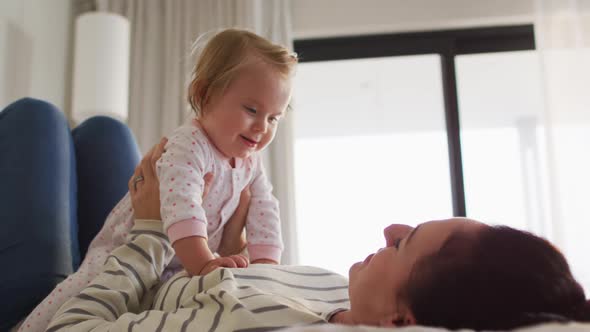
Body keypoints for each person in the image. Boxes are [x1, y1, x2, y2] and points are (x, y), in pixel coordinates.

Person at [45, 139, 590, 331]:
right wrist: (225, 253)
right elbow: (224, 281)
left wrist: (148, 230)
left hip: (91, 288)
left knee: (38, 120)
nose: (390, 228)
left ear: (401, 320)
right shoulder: (333, 286)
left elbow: (72, 327)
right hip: (150, 261)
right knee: (105, 132)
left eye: (405, 242)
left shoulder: (250, 325)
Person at [19, 28, 296, 331]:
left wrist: (266, 267)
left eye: (274, 118)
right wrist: (204, 264)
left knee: (76, 126)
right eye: (252, 110)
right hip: (125, 250)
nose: (262, 128)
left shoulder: (250, 162)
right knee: (77, 291)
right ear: (204, 94)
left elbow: (265, 208)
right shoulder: (190, 145)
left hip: (176, 265)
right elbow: (182, 206)